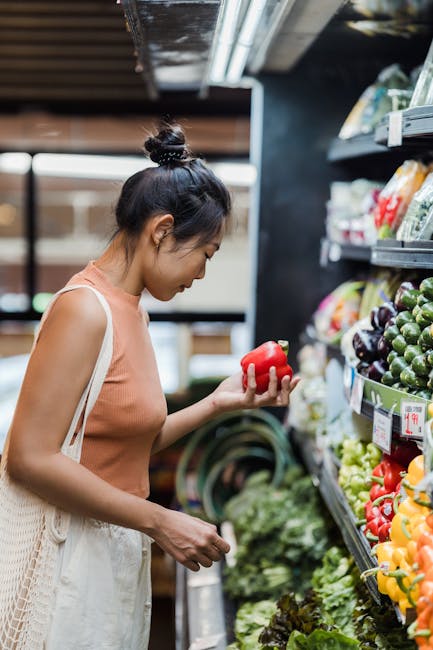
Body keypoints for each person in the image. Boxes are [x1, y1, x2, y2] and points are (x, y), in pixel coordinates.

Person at [5, 120, 299, 649]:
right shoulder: (83, 310)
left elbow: (125, 441)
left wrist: (218, 403)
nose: (203, 274)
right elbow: (28, 456)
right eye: (205, 253)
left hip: (113, 544)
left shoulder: (132, 312)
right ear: (162, 231)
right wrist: (160, 520)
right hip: (68, 557)